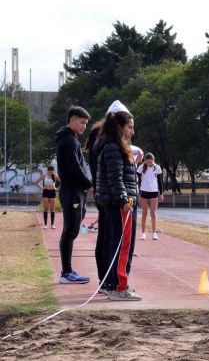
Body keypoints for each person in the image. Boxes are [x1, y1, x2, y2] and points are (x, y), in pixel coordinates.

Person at [95, 100, 141, 301]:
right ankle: (119, 286)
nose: (132, 132)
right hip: (120, 203)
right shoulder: (113, 147)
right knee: (122, 246)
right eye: (130, 127)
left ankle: (117, 284)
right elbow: (116, 178)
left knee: (120, 244)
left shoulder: (118, 146)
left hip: (120, 201)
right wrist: (124, 200)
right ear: (120, 127)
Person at [55, 105, 93, 284]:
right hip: (71, 192)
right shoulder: (69, 140)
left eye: (86, 124)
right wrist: (89, 185)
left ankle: (67, 270)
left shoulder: (71, 139)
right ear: (71, 120)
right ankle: (66, 273)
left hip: (75, 191)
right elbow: (74, 168)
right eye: (81, 122)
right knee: (70, 230)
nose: (84, 126)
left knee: (73, 229)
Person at [85, 118, 109, 292]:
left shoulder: (98, 140)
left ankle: (105, 280)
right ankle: (106, 280)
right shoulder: (102, 140)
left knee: (105, 236)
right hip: (106, 194)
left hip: (102, 192)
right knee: (106, 237)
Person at [137, 153, 164, 240]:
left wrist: (161, 193)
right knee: (144, 213)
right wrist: (138, 188)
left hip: (154, 192)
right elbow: (136, 178)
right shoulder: (141, 167)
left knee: (153, 213)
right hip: (144, 191)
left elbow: (160, 181)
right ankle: (143, 233)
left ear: (153, 161)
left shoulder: (157, 167)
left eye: (151, 162)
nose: (149, 164)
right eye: (147, 162)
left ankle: (154, 233)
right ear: (145, 161)